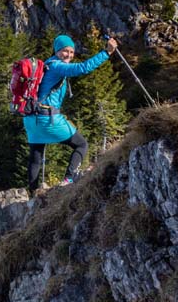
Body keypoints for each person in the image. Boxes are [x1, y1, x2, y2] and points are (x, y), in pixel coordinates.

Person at [24, 33, 118, 191]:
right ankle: (69, 179)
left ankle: (32, 193)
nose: (68, 55)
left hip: (31, 118)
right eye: (64, 51)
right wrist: (106, 52)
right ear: (56, 51)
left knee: (36, 156)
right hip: (47, 119)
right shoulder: (57, 66)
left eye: (72, 52)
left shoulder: (47, 65)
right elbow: (83, 68)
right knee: (81, 144)